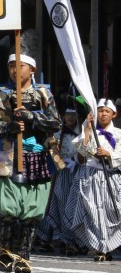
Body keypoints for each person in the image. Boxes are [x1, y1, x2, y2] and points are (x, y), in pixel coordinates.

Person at [0, 46, 62, 273]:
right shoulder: (1, 94)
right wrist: (9, 127)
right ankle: (6, 252)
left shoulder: (44, 94)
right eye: (11, 66)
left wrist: (33, 118)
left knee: (30, 212)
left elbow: (56, 122)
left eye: (20, 66)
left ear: (32, 69)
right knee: (7, 210)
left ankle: (24, 256)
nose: (15, 70)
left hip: (36, 154)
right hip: (8, 156)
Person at [66, 99, 121, 261]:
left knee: (111, 210)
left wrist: (109, 154)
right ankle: (99, 247)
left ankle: (109, 244)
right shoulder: (88, 131)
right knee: (93, 211)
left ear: (113, 114)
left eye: (107, 111)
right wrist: (88, 130)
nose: (103, 114)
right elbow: (81, 157)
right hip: (91, 176)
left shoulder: (119, 134)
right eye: (100, 111)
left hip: (111, 177)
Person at [38, 105, 83, 254]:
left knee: (73, 205)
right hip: (60, 171)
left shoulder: (83, 132)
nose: (69, 117)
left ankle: (74, 239)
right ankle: (56, 238)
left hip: (77, 170)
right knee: (56, 202)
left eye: (73, 114)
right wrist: (57, 156)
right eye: (67, 114)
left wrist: (76, 160)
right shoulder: (59, 132)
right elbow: (50, 146)